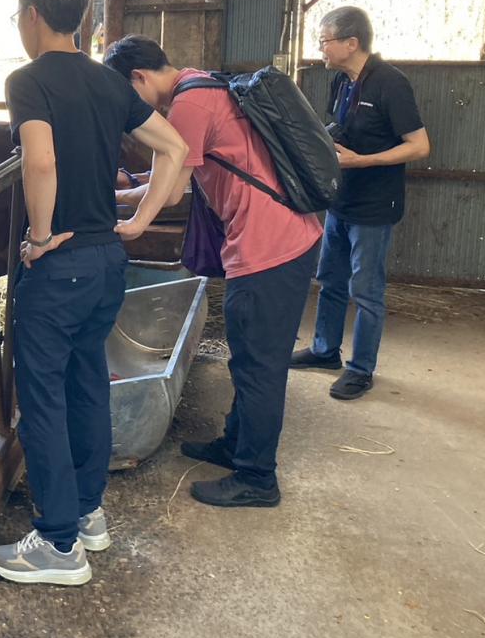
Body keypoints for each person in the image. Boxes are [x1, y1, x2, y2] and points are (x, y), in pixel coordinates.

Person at [0, 0, 188, 586]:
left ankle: (58, 545)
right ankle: (88, 514)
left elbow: (40, 161)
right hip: (107, 261)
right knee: (87, 386)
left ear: (32, 15)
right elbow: (175, 149)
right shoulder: (107, 81)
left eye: (18, 15)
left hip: (62, 264)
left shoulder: (28, 81)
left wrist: (40, 236)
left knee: (43, 400)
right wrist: (140, 220)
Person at [104, 35, 322, 508]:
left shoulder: (190, 105)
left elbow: (172, 189)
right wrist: (120, 192)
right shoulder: (199, 86)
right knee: (247, 356)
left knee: (259, 366)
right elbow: (167, 176)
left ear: (138, 77)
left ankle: (257, 478)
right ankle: (236, 444)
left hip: (270, 247)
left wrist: (134, 220)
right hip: (277, 238)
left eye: (126, 95)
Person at [290, 6, 430, 399]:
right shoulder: (342, 81)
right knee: (330, 280)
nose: (321, 48)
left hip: (374, 205)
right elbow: (340, 128)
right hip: (341, 199)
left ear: (351, 43)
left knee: (366, 290)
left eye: (324, 41)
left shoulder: (391, 83)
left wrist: (362, 160)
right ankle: (325, 351)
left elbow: (419, 146)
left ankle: (361, 369)